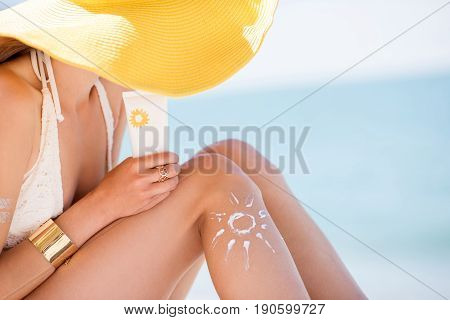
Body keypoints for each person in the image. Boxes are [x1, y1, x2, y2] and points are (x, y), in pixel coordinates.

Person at [0, 0, 365, 299]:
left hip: (76, 285)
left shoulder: (109, 91)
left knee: (238, 159)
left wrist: (137, 193)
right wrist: (102, 205)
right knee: (216, 184)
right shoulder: (10, 102)